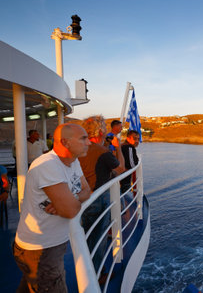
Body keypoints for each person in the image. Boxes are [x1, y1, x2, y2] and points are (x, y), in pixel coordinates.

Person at [13, 123, 91, 292]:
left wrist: (70, 199)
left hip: (50, 244)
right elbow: (70, 211)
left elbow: (87, 191)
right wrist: (68, 204)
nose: (89, 143)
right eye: (83, 138)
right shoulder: (48, 165)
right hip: (40, 250)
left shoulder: (73, 161)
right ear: (65, 142)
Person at [78, 115, 125, 275]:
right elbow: (121, 170)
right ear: (99, 132)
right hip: (98, 198)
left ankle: (86, 270)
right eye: (104, 129)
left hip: (81, 198)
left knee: (86, 236)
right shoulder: (102, 152)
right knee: (98, 239)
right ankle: (97, 274)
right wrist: (117, 148)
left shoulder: (79, 148)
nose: (106, 132)